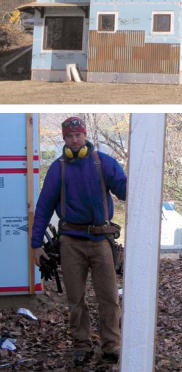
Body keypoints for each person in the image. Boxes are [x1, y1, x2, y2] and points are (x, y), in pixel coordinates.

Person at [32, 116, 127, 366]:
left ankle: (112, 345)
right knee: (76, 299)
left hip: (101, 240)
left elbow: (127, 191)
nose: (75, 140)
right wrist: (35, 244)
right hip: (71, 243)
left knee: (108, 297)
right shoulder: (58, 168)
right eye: (70, 136)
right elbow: (43, 208)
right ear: (64, 139)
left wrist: (141, 174)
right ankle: (81, 345)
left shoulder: (103, 163)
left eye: (78, 135)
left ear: (85, 136)